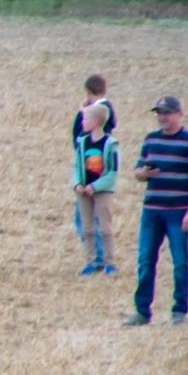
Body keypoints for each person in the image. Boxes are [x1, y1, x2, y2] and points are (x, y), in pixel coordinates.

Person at [128, 96, 188, 326]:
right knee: (145, 261)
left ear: (179, 114)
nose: (162, 117)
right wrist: (144, 173)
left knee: (180, 262)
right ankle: (142, 311)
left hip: (177, 211)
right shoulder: (150, 139)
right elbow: (137, 171)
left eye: (167, 113)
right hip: (152, 211)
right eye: (159, 113)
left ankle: (179, 311)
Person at [73, 74, 117, 267]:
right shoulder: (87, 138)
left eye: (85, 119)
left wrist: (83, 111)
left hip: (97, 182)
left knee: (96, 223)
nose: (83, 120)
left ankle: (101, 259)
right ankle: (94, 259)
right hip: (85, 182)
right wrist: (77, 183)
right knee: (89, 223)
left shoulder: (101, 112)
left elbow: (112, 169)